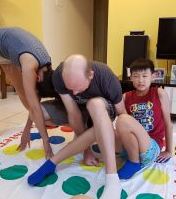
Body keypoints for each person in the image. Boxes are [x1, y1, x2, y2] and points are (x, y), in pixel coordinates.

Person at [28, 54, 127, 199]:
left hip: (102, 110)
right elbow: (73, 113)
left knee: (94, 104)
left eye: (78, 88)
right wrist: (86, 150)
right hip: (81, 112)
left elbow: (122, 115)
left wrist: (129, 143)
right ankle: (54, 162)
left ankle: (112, 179)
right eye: (70, 89)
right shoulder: (60, 76)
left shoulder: (106, 78)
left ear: (90, 75)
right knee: (38, 114)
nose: (74, 93)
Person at [0, 27, 52, 173]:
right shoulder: (29, 65)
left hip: (9, 48)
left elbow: (34, 98)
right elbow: (34, 105)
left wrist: (28, 128)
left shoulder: (48, 65)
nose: (36, 79)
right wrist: (45, 140)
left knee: (24, 93)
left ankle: (40, 120)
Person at [115, 58, 173, 179]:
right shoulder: (126, 96)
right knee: (103, 129)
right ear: (130, 77)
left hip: (150, 148)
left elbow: (168, 124)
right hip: (130, 147)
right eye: (136, 76)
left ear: (153, 76)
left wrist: (168, 150)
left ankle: (134, 163)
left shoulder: (159, 93)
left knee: (123, 119)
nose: (140, 80)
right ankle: (132, 158)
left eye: (145, 76)